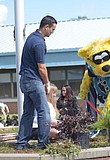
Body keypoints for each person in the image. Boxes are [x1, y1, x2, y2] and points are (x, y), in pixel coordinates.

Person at [16, 15, 57, 150]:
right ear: (46, 27)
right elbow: (41, 67)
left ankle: (21, 143)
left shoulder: (31, 38)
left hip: (25, 80)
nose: (52, 32)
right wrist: (47, 83)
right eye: (52, 29)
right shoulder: (39, 42)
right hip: (34, 81)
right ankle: (43, 142)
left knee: (27, 112)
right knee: (43, 111)